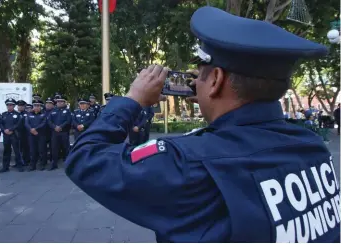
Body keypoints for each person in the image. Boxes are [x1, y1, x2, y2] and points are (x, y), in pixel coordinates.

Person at [64, 7, 339, 242]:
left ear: (217, 79)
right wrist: (216, 103)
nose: (196, 81)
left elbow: (85, 159)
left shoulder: (188, 162)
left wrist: (132, 99)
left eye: (203, 75)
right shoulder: (311, 146)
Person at [48, 94, 72, 170]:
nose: (59, 103)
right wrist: (55, 127)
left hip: (64, 132)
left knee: (66, 148)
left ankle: (69, 164)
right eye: (58, 102)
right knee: (54, 148)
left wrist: (60, 127)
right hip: (55, 132)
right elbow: (49, 121)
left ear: (65, 103)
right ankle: (54, 164)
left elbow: (68, 121)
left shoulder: (67, 111)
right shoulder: (53, 111)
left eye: (61, 102)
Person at [0, 98, 24, 172]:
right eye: (8, 105)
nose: (9, 106)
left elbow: (18, 124)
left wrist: (10, 130)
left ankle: (20, 165)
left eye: (11, 105)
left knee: (17, 151)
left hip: (14, 135)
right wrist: (4, 130)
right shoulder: (3, 114)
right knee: (6, 151)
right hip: (6, 135)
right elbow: (1, 124)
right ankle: (5, 167)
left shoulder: (17, 114)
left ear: (14, 106)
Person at [25, 99, 47, 171]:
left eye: (38, 106)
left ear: (40, 107)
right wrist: (31, 129)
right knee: (32, 150)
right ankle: (32, 165)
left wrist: (35, 129)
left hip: (41, 135)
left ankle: (42, 164)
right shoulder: (29, 114)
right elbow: (26, 123)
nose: (36, 107)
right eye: (35, 106)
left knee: (41, 150)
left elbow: (44, 123)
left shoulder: (44, 114)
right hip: (31, 135)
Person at [16, 100, 30, 166]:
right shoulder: (15, 114)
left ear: (24, 106)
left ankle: (26, 161)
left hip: (25, 134)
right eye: (19, 106)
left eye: (21, 106)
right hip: (17, 133)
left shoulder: (27, 114)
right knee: (18, 149)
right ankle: (18, 162)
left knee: (25, 148)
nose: (20, 107)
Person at [44, 97, 55, 164]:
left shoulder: (55, 111)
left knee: (52, 146)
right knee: (43, 147)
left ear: (53, 105)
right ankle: (44, 160)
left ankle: (52, 159)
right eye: (47, 103)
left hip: (52, 131)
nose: (48, 104)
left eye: (50, 103)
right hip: (43, 132)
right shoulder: (42, 111)